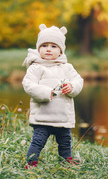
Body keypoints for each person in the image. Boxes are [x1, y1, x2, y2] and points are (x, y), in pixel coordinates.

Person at [22, 24, 84, 168]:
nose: (48, 49)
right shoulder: (36, 67)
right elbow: (28, 85)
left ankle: (66, 160)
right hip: (43, 117)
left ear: (61, 51)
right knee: (38, 141)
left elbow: (78, 80)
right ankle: (31, 162)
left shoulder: (66, 68)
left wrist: (72, 87)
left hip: (62, 116)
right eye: (44, 45)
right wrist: (45, 92)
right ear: (38, 49)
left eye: (53, 46)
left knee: (65, 140)